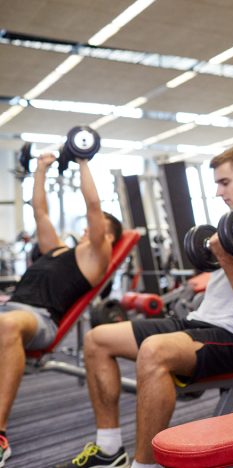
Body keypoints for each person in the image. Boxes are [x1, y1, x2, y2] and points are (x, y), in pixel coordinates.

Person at [57, 147, 233, 468]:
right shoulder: (232, 228)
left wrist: (225, 259)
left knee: (154, 350)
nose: (217, 191)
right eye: (216, 183)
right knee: (97, 339)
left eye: (224, 182)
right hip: (198, 323)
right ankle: (110, 449)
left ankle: (145, 466)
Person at [0, 153, 122, 468]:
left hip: (38, 319)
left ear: (107, 238)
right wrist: (40, 169)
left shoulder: (95, 256)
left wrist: (82, 161)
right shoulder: (55, 248)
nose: (88, 229)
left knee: (8, 325)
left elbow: (94, 207)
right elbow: (39, 210)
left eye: (97, 228)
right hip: (10, 308)